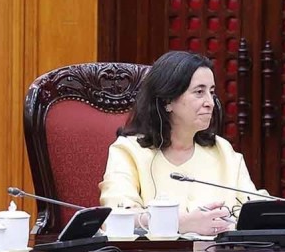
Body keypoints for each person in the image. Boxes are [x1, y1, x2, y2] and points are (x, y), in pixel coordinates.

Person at [100, 51, 265, 236]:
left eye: (211, 92)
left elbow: (255, 209)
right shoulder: (128, 151)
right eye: (199, 92)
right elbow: (113, 218)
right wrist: (180, 223)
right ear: (167, 101)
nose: (210, 103)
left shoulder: (222, 150)